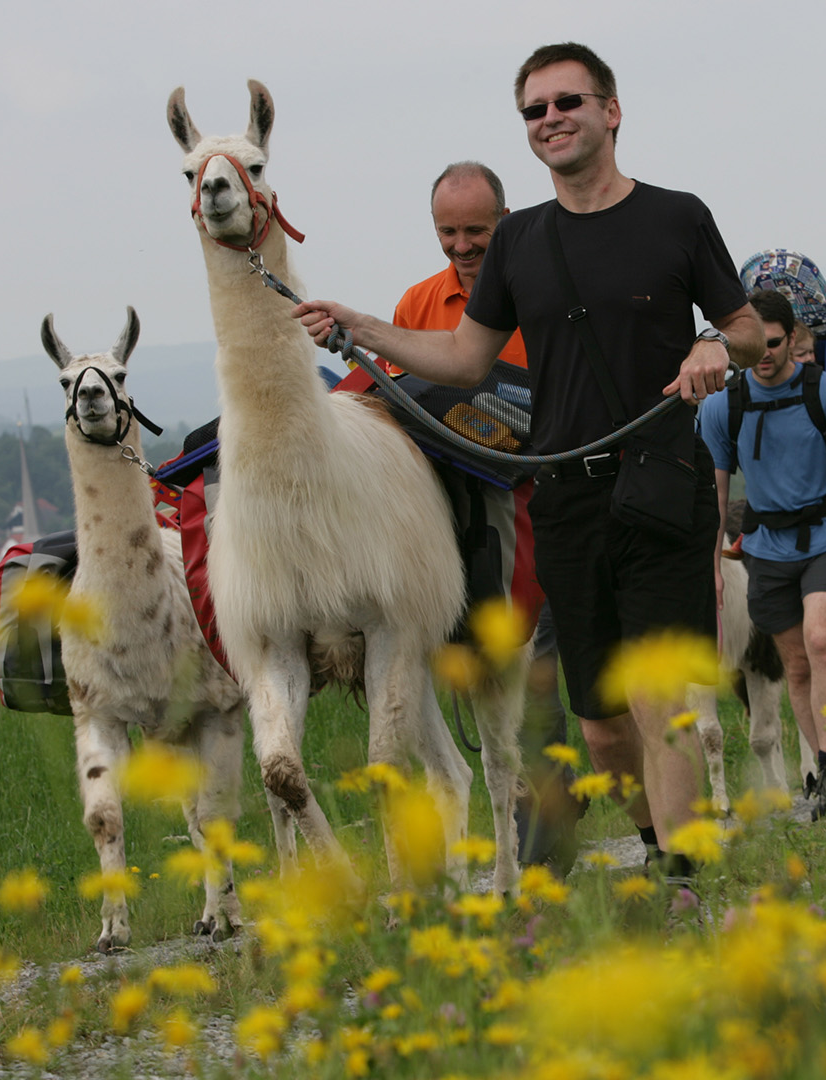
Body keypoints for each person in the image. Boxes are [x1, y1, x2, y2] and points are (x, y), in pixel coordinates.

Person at [295, 42, 763, 889]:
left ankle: (683, 882)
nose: (551, 119)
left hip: (662, 485)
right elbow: (468, 360)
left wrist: (707, 345)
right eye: (535, 110)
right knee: (603, 729)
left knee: (658, 704)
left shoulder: (677, 217)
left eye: (566, 102)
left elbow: (749, 330)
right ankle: (661, 843)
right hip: (568, 502)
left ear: (611, 111)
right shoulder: (517, 243)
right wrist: (361, 326)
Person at [385, 160, 586, 872]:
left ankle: (544, 865)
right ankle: (550, 805)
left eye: (477, 231)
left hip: (549, 521)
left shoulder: (547, 298)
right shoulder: (416, 305)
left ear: (505, 221)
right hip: (464, 539)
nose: (463, 247)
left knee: (534, 689)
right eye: (448, 233)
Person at [701, 289, 826, 819]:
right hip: (765, 547)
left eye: (775, 343)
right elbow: (716, 489)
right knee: (795, 664)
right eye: (757, 345)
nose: (767, 354)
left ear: (794, 337)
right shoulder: (722, 408)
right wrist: (710, 562)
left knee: (821, 639)